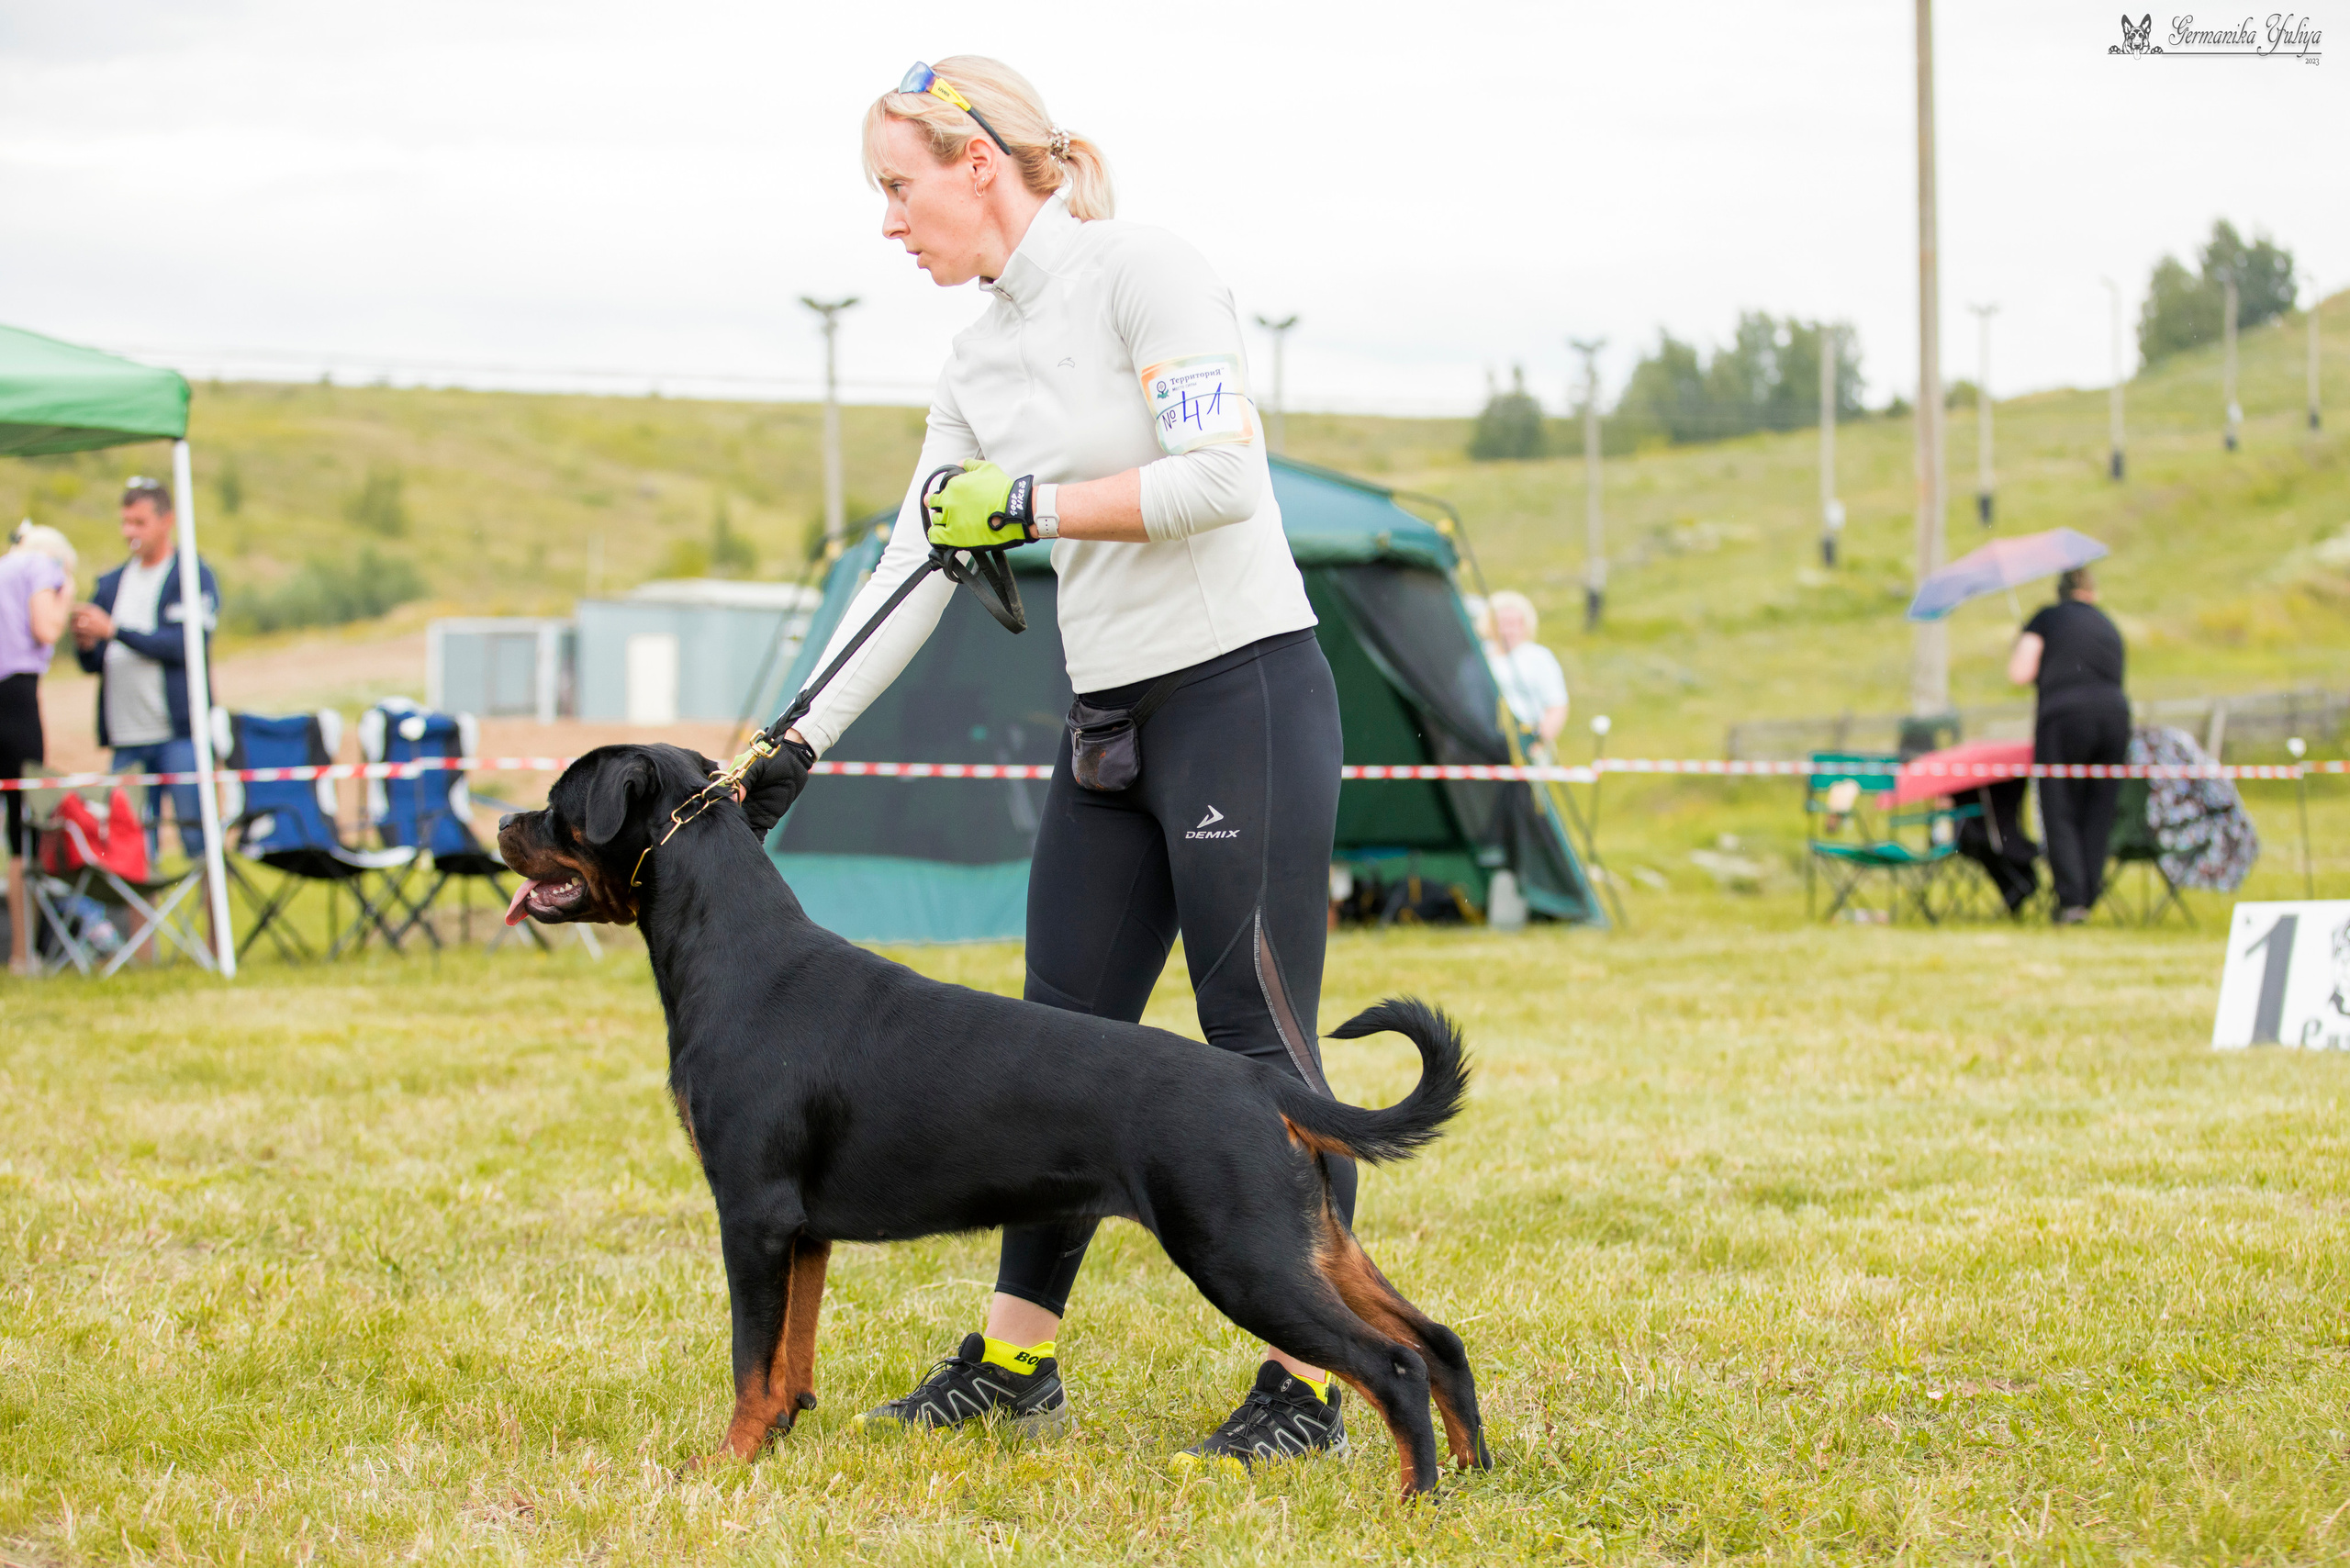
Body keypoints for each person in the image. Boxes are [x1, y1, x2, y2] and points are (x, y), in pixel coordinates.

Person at [735, 56, 1352, 1469]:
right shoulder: (973, 361)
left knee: (1257, 1045)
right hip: (1109, 719)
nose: (889, 223)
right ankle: (1017, 1363)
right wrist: (800, 737)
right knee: (1047, 1048)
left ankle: (1309, 1380)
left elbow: (1220, 482)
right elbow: (913, 563)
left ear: (979, 163)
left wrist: (1024, 504)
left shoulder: (1145, 271)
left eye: (900, 188)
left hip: (1242, 692)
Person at [71, 477, 219, 863]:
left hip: (180, 735)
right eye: (125, 522)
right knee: (129, 848)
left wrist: (114, 630)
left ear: (166, 521)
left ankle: (211, 907)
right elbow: (93, 663)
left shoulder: (191, 575)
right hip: (126, 738)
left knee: (198, 841)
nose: (129, 532)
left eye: (139, 522)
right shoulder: (111, 583)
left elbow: (184, 644)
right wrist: (86, 641)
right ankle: (144, 909)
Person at [2009, 566, 2129, 924]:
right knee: (2099, 807)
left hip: (2064, 716)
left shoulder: (2046, 618)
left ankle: (2072, 900)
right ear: (2092, 592)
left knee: (2059, 804)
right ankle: (2089, 894)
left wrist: (2023, 640)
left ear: (2059, 592)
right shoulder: (2108, 624)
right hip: (2115, 717)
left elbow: (2020, 673)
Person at [2, 522, 78, 973]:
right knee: (23, 830)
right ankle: (21, 953)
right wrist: (65, 592)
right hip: (15, 702)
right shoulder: (41, 566)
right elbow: (46, 628)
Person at [1484, 590, 1569, 754]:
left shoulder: (1539, 657)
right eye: (1503, 623)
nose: (1508, 630)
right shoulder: (1478, 655)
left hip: (1527, 742)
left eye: (1514, 623)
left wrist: (1540, 743)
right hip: (1485, 741)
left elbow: (1557, 706)